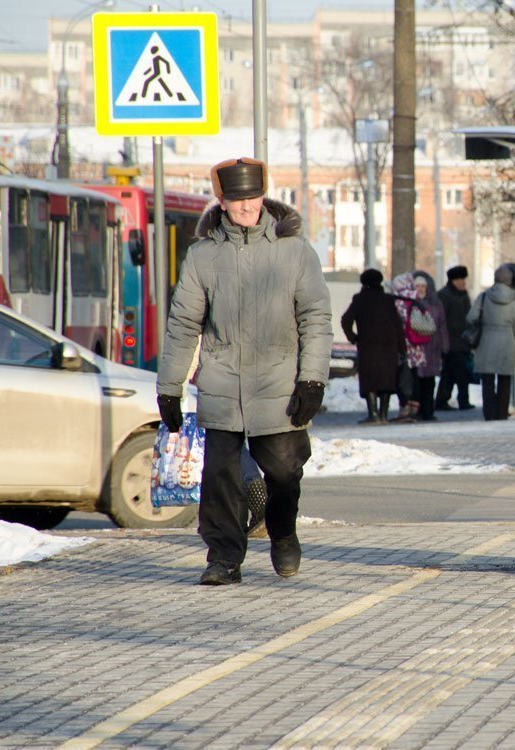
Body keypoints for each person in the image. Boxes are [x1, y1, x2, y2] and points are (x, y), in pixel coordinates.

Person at [156, 156, 332, 586]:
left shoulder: (295, 251)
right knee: (221, 479)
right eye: (236, 199)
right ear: (222, 201)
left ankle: (283, 531)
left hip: (279, 383)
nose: (246, 206)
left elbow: (316, 317)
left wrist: (312, 378)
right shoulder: (203, 256)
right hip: (222, 383)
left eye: (252, 196)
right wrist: (170, 387)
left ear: (263, 196)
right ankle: (224, 558)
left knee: (285, 474)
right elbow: (183, 324)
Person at [341, 269, 406, 425]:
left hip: (368, 346)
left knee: (370, 379)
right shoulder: (388, 300)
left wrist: (353, 337)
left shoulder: (359, 299)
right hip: (389, 346)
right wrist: (401, 347)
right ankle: (383, 415)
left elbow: (345, 320)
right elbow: (398, 325)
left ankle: (373, 414)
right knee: (387, 379)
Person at [469, 264, 515, 421]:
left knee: (487, 382)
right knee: (504, 381)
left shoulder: (483, 297)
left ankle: (489, 415)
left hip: (485, 343)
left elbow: (470, 317)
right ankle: (502, 414)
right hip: (507, 345)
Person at [435, 265, 474, 411]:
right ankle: (460, 401)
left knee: (452, 373)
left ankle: (443, 400)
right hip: (450, 342)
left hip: (462, 342)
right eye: (460, 279)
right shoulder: (444, 295)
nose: (463, 282)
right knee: (455, 374)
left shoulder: (463, 295)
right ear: (453, 280)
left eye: (463, 279)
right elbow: (440, 319)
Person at [412, 271, 449, 421]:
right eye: (417, 286)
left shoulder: (435, 303)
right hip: (416, 349)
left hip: (432, 348)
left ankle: (428, 410)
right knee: (417, 381)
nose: (420, 289)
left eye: (423, 286)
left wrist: (445, 346)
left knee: (429, 382)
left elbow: (442, 326)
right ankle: (418, 410)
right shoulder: (409, 302)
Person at [390, 273, 423, 422]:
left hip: (403, 344)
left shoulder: (397, 300)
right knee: (415, 375)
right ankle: (415, 405)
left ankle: (405, 406)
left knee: (402, 376)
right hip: (417, 343)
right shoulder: (416, 298)